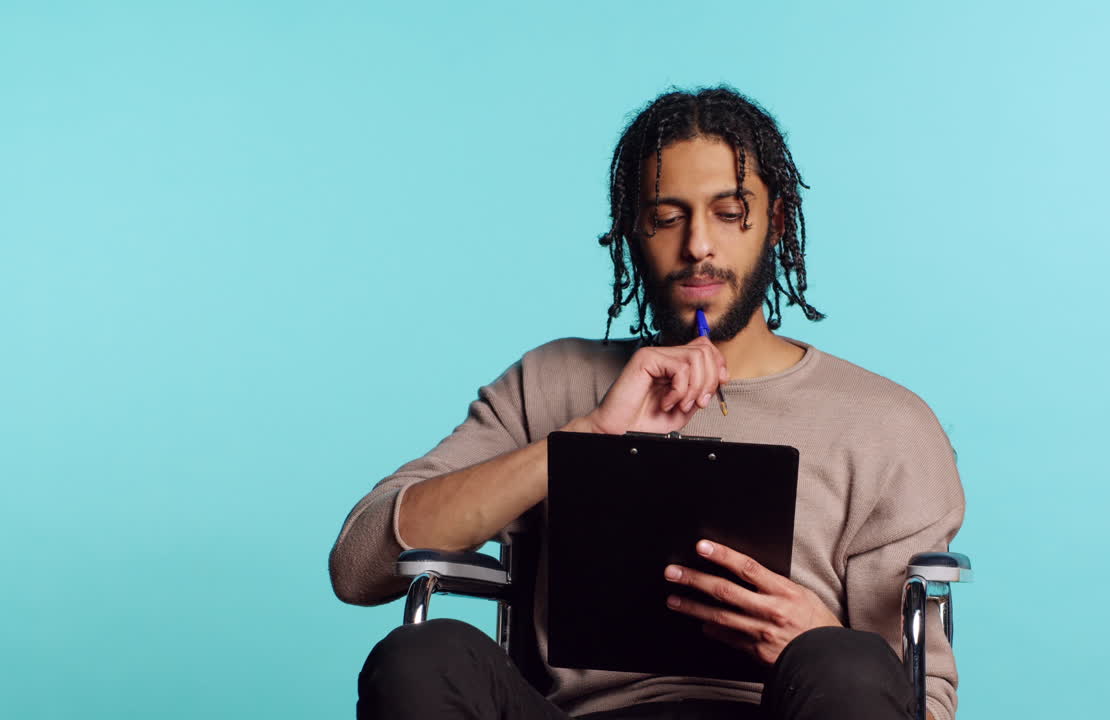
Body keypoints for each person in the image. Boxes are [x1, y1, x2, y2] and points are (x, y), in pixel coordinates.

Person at [329, 86, 965, 720]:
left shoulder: (889, 425)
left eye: (728, 212)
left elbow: (922, 702)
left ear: (776, 221)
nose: (697, 246)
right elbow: (360, 566)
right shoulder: (551, 381)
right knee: (423, 655)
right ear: (633, 230)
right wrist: (582, 441)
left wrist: (815, 634)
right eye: (667, 217)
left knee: (846, 661)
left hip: (789, 709)